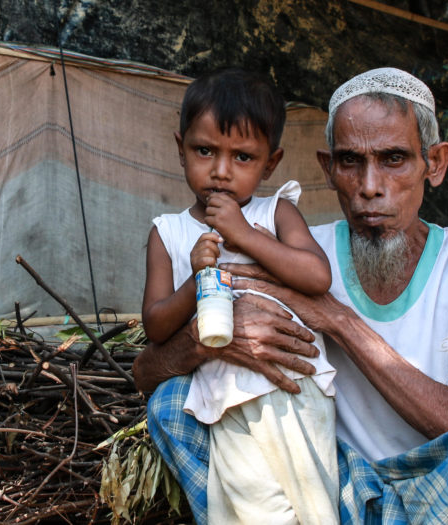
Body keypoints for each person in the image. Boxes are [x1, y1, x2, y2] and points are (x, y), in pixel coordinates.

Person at [132, 67, 448, 523]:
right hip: (334, 485)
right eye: (350, 161)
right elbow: (146, 372)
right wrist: (211, 340)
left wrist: (338, 320)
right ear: (328, 169)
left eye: (394, 159)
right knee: (170, 405)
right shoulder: (289, 247)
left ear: (436, 163)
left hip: (437, 492)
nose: (370, 186)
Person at [142, 68, 338, 524]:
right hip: (225, 400)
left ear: (271, 163)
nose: (221, 171)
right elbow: (155, 326)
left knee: (312, 503)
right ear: (180, 148)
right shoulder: (167, 233)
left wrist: (245, 236)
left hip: (297, 388)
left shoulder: (277, 213)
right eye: (205, 150)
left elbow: (316, 275)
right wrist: (195, 280)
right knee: (252, 507)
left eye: (244, 157)